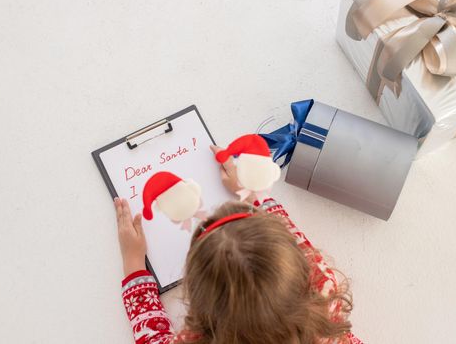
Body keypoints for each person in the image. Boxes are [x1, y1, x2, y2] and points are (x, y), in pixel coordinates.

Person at [115, 146, 362, 343]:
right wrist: (252, 195)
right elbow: (294, 240)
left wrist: (134, 262)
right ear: (302, 266)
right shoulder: (325, 297)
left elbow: (152, 337)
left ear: (200, 305)